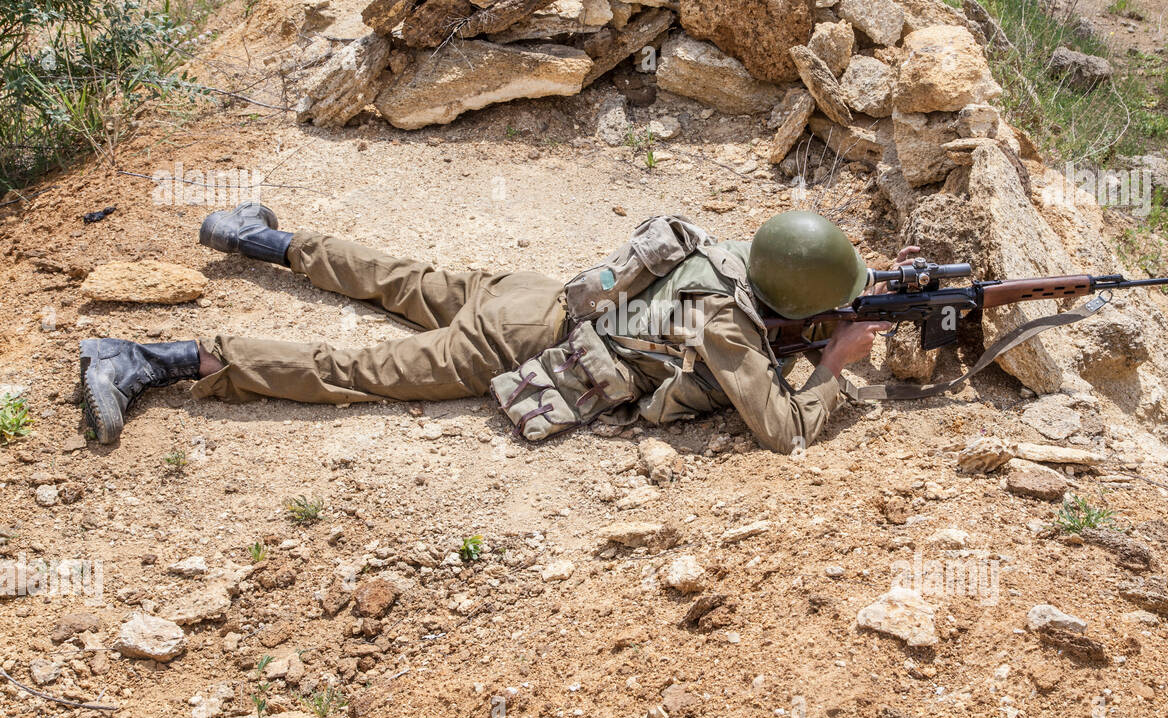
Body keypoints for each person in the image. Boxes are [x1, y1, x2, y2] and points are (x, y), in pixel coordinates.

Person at [79, 204, 902, 452]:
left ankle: (258, 237)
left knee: (402, 277)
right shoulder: (731, 327)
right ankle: (153, 358)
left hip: (539, 297)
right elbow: (784, 431)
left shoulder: (734, 256)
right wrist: (834, 362)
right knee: (360, 370)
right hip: (516, 346)